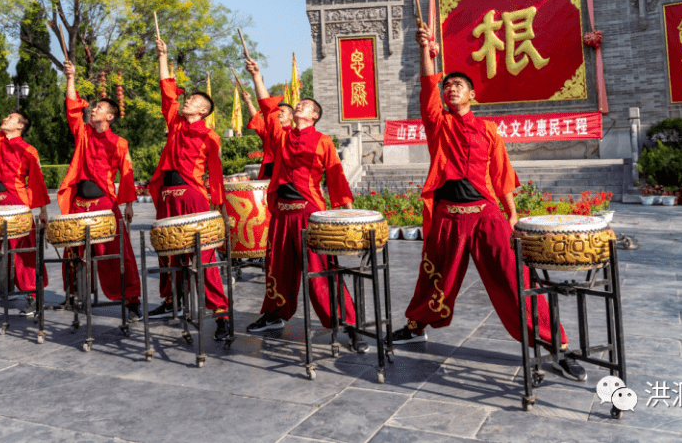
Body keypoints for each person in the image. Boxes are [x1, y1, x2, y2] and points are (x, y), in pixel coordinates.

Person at [389, 24, 586, 382]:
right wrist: (424, 51)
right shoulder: (439, 124)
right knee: (435, 278)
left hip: (485, 215)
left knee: (515, 278)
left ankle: (555, 346)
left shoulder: (489, 132)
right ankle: (417, 326)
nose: (451, 88)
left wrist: (512, 215)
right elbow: (427, 89)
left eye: (458, 85)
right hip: (448, 216)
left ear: (472, 95)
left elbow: (501, 174)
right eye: (447, 85)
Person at [242, 57, 365, 352]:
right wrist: (257, 76)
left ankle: (347, 323)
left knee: (321, 270)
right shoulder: (281, 137)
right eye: (299, 104)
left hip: (309, 213)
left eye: (306, 105)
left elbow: (335, 179)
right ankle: (274, 315)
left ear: (314, 116)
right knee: (277, 268)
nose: (300, 106)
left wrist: (349, 215)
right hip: (282, 214)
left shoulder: (323, 141)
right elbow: (268, 109)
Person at [146, 37, 231, 341]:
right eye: (188, 100)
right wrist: (163, 57)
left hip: (192, 196)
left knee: (202, 256)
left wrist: (219, 207)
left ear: (203, 111)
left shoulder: (210, 136)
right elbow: (167, 93)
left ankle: (221, 314)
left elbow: (217, 174)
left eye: (194, 102)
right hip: (167, 197)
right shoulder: (175, 125)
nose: (187, 103)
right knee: (169, 254)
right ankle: (171, 302)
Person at [56, 59, 142, 319]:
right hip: (77, 203)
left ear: (110, 116)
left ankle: (130, 299)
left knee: (114, 253)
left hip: (104, 203)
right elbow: (73, 108)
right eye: (93, 108)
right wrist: (70, 77)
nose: (93, 110)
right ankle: (75, 294)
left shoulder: (119, 143)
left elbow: (126, 176)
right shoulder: (83, 133)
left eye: (99, 108)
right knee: (74, 252)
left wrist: (127, 204)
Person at [0, 72, 50, 316]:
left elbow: (37, 182)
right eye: (6, 117)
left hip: (17, 201)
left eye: (11, 117)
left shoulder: (28, 150)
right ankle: (3, 287)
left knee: (23, 251)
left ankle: (34, 294)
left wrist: (43, 211)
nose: (5, 118)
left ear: (20, 126)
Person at [240, 88, 293, 180]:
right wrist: (248, 102)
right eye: (278, 111)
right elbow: (256, 118)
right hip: (268, 177)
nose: (279, 113)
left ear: (291, 116)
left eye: (283, 111)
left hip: (287, 177)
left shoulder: (296, 135)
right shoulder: (268, 132)